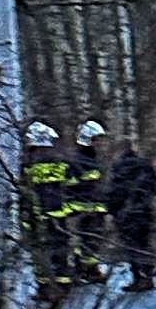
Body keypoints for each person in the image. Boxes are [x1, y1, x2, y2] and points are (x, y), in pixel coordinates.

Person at [20, 122, 74, 297]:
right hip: (58, 214)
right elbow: (70, 185)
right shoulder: (60, 161)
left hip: (38, 215)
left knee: (40, 251)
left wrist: (26, 217)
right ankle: (63, 284)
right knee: (60, 248)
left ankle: (45, 288)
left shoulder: (29, 164)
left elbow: (26, 192)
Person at [105, 141, 156, 292]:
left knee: (132, 246)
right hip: (145, 212)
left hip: (126, 214)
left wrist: (110, 209)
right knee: (144, 243)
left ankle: (139, 278)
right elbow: (152, 190)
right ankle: (147, 276)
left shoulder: (121, 169)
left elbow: (116, 192)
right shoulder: (146, 167)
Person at [68, 119, 109, 283]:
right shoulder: (80, 160)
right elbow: (74, 185)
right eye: (96, 139)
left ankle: (90, 270)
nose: (99, 143)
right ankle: (81, 271)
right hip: (85, 208)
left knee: (91, 240)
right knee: (88, 241)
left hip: (93, 208)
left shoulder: (90, 158)